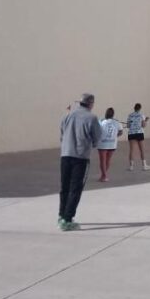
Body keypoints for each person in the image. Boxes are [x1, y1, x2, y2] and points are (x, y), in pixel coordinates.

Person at [59, 93, 103, 231]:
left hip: (65, 155)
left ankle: (61, 216)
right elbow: (97, 137)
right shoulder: (92, 117)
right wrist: (93, 143)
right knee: (75, 189)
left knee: (65, 187)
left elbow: (62, 133)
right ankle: (67, 220)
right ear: (91, 104)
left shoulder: (68, 115)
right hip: (80, 158)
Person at [96, 107, 122, 182]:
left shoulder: (100, 121)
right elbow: (120, 132)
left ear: (106, 113)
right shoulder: (117, 122)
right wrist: (114, 136)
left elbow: (97, 131)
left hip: (102, 144)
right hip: (112, 144)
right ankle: (103, 175)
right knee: (108, 160)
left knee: (103, 160)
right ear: (113, 114)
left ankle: (104, 176)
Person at [127, 103, 150, 171]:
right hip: (139, 133)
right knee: (142, 150)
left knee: (131, 150)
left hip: (131, 133)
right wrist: (146, 120)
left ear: (134, 108)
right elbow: (143, 125)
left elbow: (128, 126)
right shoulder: (141, 115)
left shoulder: (130, 115)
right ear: (140, 108)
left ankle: (131, 166)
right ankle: (144, 166)